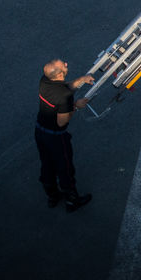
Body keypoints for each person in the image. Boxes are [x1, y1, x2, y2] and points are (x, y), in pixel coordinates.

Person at [35, 58, 95, 212]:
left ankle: (52, 196)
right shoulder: (65, 97)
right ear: (60, 74)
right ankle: (72, 201)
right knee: (65, 168)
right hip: (56, 137)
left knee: (47, 164)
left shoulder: (45, 80)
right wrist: (76, 106)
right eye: (64, 65)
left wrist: (81, 80)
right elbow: (62, 121)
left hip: (40, 131)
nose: (66, 64)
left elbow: (64, 86)